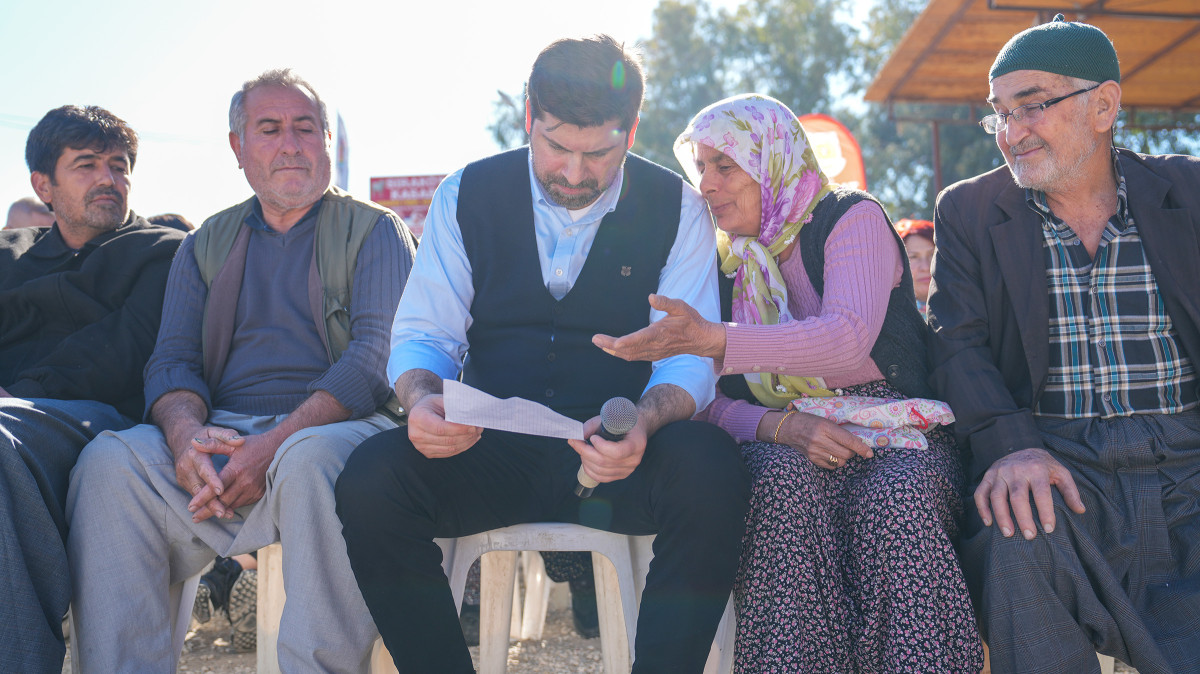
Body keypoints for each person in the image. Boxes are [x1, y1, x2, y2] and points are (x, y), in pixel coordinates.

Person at [335, 35, 751, 674]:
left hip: (619, 452)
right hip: (489, 449)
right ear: (529, 116)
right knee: (370, 480)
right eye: (556, 146)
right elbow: (425, 336)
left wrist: (644, 423)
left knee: (711, 467)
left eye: (600, 152)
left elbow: (687, 359)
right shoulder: (464, 194)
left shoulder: (677, 209)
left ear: (632, 130)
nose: (575, 173)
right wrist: (421, 401)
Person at [595, 93, 983, 672]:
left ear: (773, 161)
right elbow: (707, 400)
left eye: (725, 166)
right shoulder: (728, 263)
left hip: (895, 427)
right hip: (783, 436)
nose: (707, 184)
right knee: (778, 488)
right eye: (700, 167)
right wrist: (780, 425)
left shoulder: (850, 217)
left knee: (894, 499)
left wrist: (716, 340)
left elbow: (844, 338)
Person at [66, 68, 417, 672]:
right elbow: (171, 360)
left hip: (337, 429)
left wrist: (273, 446)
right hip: (226, 434)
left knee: (311, 462)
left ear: (326, 141)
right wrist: (184, 440)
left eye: (306, 128)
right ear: (238, 147)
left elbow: (372, 362)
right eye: (270, 128)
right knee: (108, 463)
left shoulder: (375, 230)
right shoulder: (206, 241)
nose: (291, 144)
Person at [928, 15, 1200, 674]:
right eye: (999, 115)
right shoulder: (967, 210)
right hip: (1058, 461)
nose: (1011, 133)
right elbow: (956, 341)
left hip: (1190, 461)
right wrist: (1010, 444)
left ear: (1103, 105)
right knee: (1012, 540)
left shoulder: (1190, 192)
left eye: (1033, 107)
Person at [1, 105, 184, 674]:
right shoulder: (8, 256)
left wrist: (14, 396)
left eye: (119, 165)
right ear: (43, 184)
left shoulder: (166, 250)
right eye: (86, 165)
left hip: (104, 428)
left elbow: (123, 352)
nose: (109, 178)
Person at [893, 217, 935, 315]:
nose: (926, 267)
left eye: (932, 255)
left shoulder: (969, 307)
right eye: (913, 257)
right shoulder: (883, 320)